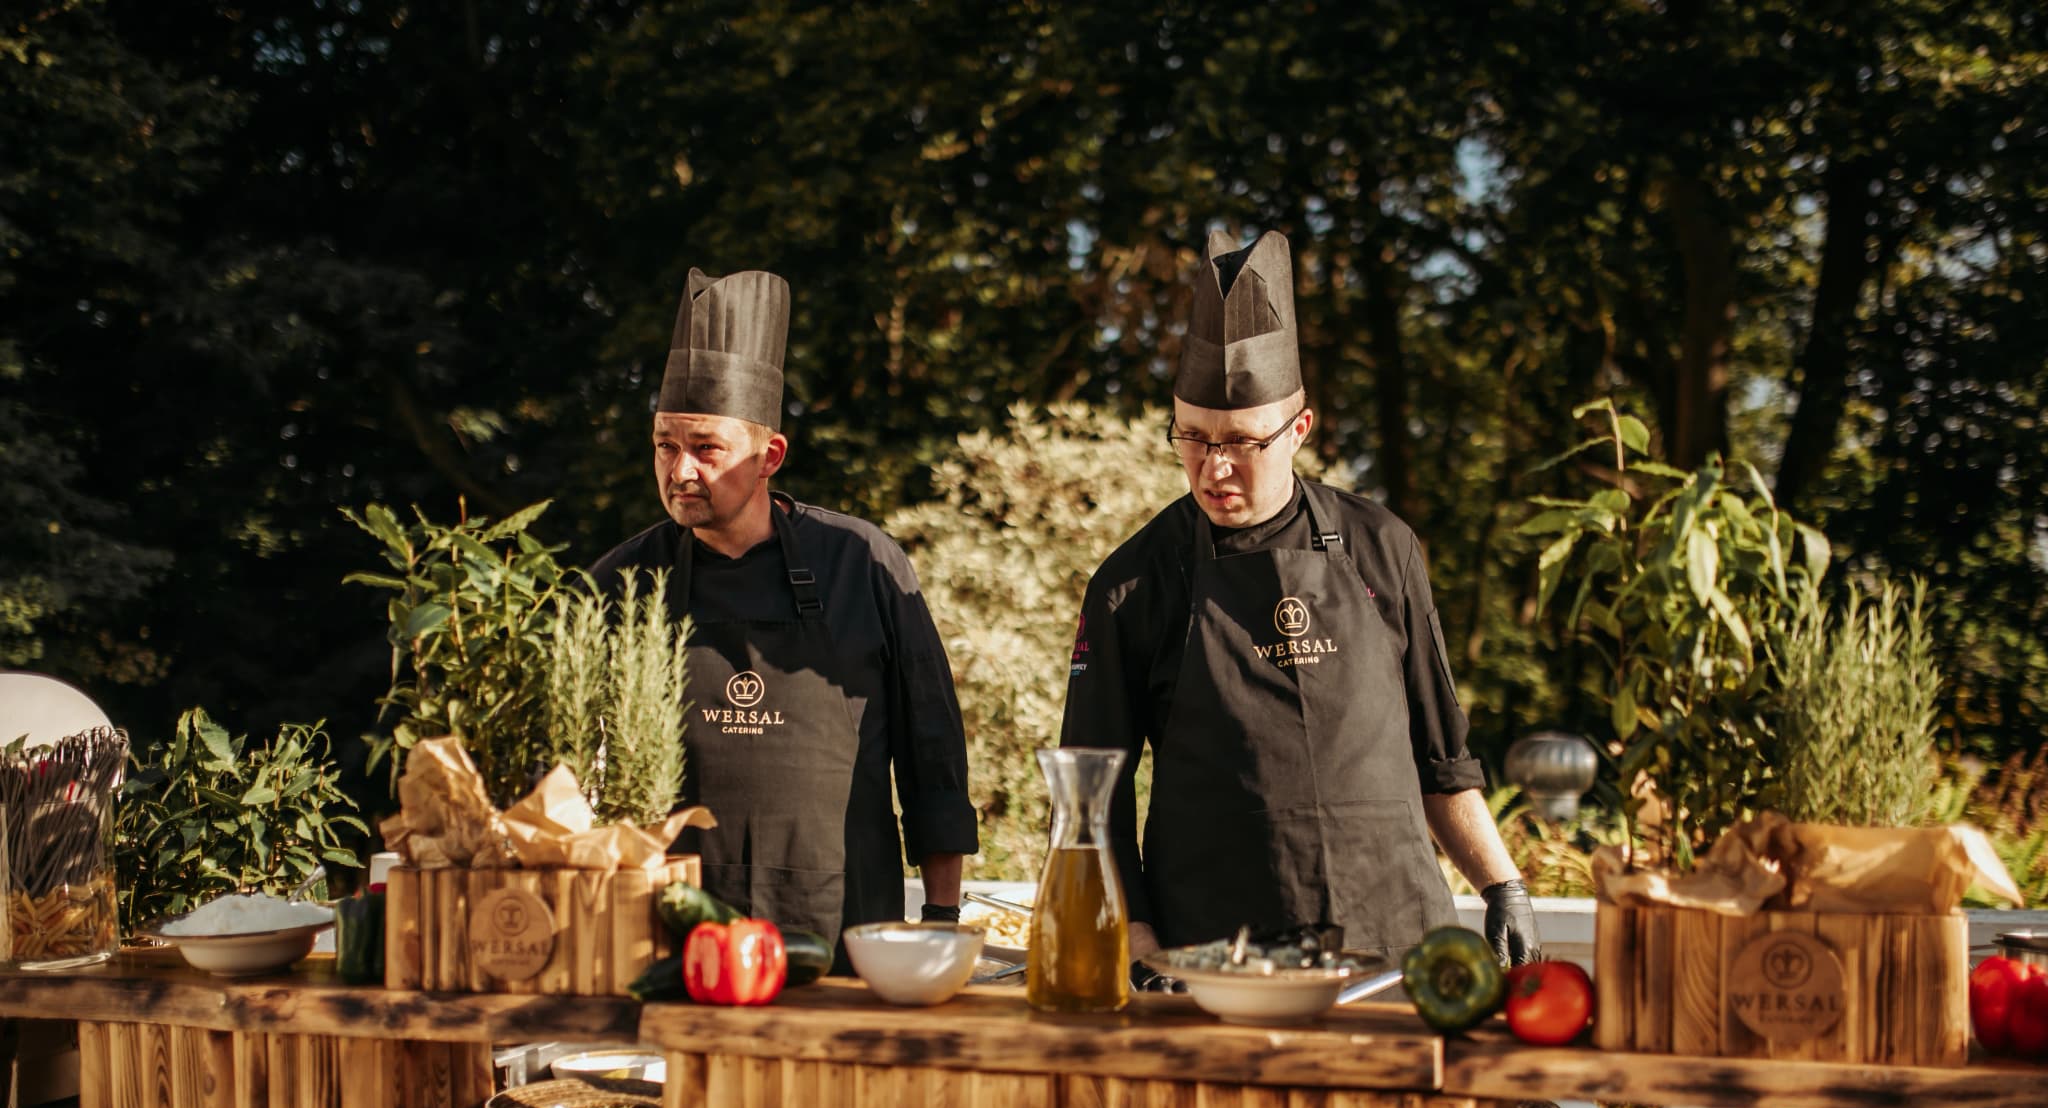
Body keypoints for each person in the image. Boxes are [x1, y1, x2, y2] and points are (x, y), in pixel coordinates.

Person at [1059, 230, 1538, 968]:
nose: (1214, 467)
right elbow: (1093, 798)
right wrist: (1142, 942)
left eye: (1243, 442)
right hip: (1219, 961)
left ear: (1299, 429)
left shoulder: (1385, 547)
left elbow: (1442, 758)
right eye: (1192, 436)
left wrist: (1503, 883)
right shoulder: (1133, 583)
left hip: (1396, 946)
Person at [593, 266, 977, 945]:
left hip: (846, 936)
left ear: (769, 455)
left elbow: (933, 754)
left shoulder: (864, 564)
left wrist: (942, 920)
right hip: (672, 942)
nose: (681, 471)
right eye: (665, 446)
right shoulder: (621, 581)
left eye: (707, 448)